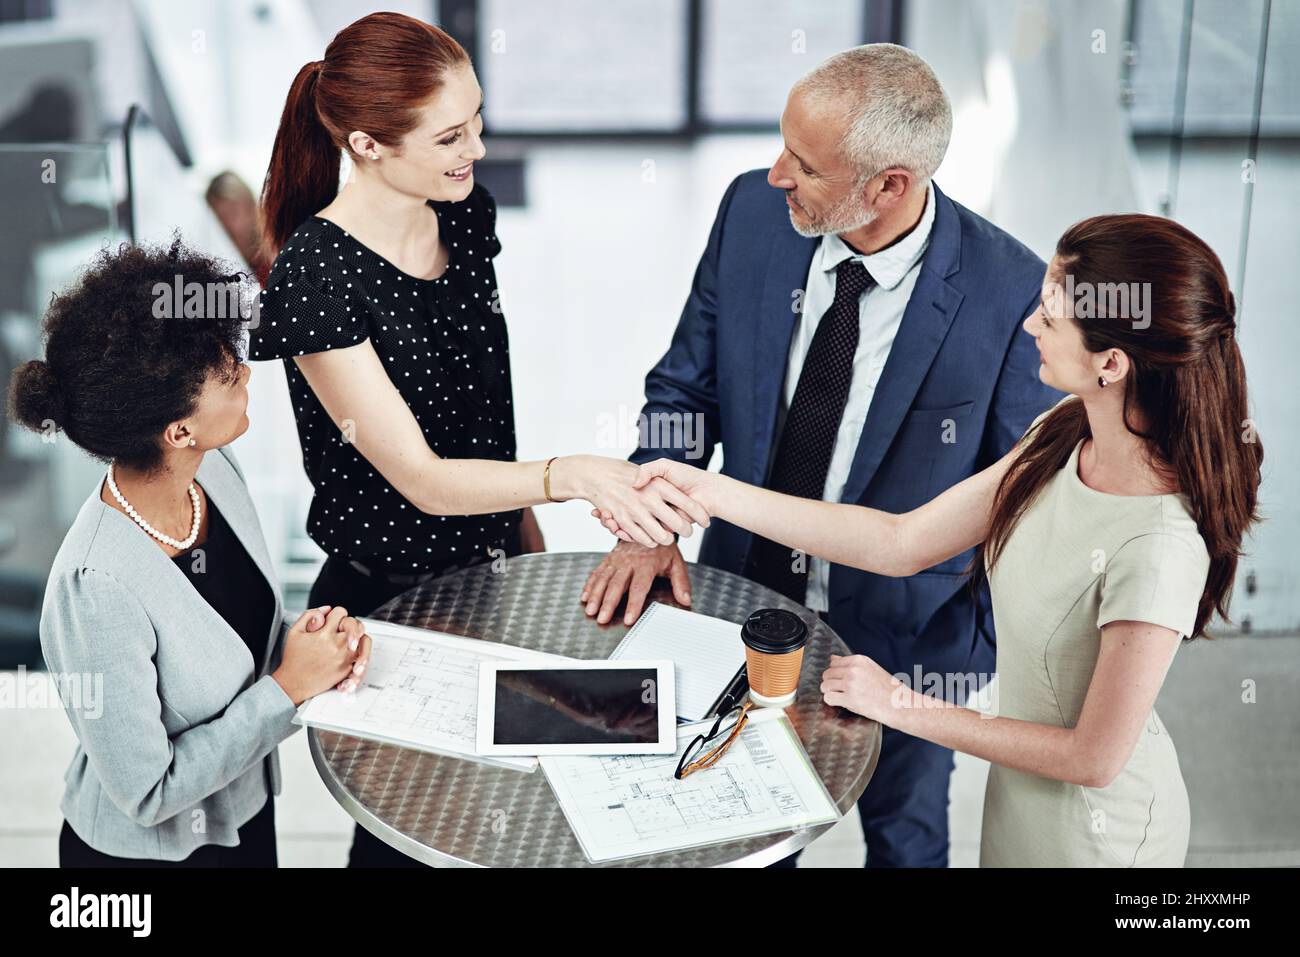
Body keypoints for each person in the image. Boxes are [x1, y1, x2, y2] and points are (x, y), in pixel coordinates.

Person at [614, 213, 1263, 866]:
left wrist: (897, 702)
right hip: (1018, 805)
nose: (1030, 325)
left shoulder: (1159, 545)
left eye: (1049, 316)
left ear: (1111, 363)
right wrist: (710, 490)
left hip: (1100, 837)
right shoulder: (1068, 431)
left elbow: (1092, 759)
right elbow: (901, 541)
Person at [582, 43, 1060, 867]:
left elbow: (1022, 509)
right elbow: (683, 392)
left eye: (804, 164)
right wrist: (650, 522)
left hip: (908, 645)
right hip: (739, 606)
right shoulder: (752, 215)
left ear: (889, 186)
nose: (776, 174)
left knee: (906, 843)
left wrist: (968, 655)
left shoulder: (1013, 293)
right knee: (735, 835)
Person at [250, 11, 706, 866]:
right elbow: (419, 477)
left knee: (495, 812)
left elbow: (482, 403)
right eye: (451, 135)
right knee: (407, 831)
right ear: (367, 144)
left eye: (479, 121)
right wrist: (569, 476)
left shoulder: (460, 212)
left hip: (491, 566)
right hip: (387, 601)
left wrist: (521, 531)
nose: (479, 149)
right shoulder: (316, 273)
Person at [6, 239, 372, 867]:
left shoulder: (216, 472)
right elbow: (147, 792)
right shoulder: (95, 587)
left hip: (246, 813)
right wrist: (289, 687)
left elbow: (235, 631)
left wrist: (308, 642)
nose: (248, 373)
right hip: (151, 861)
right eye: (230, 374)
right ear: (179, 430)